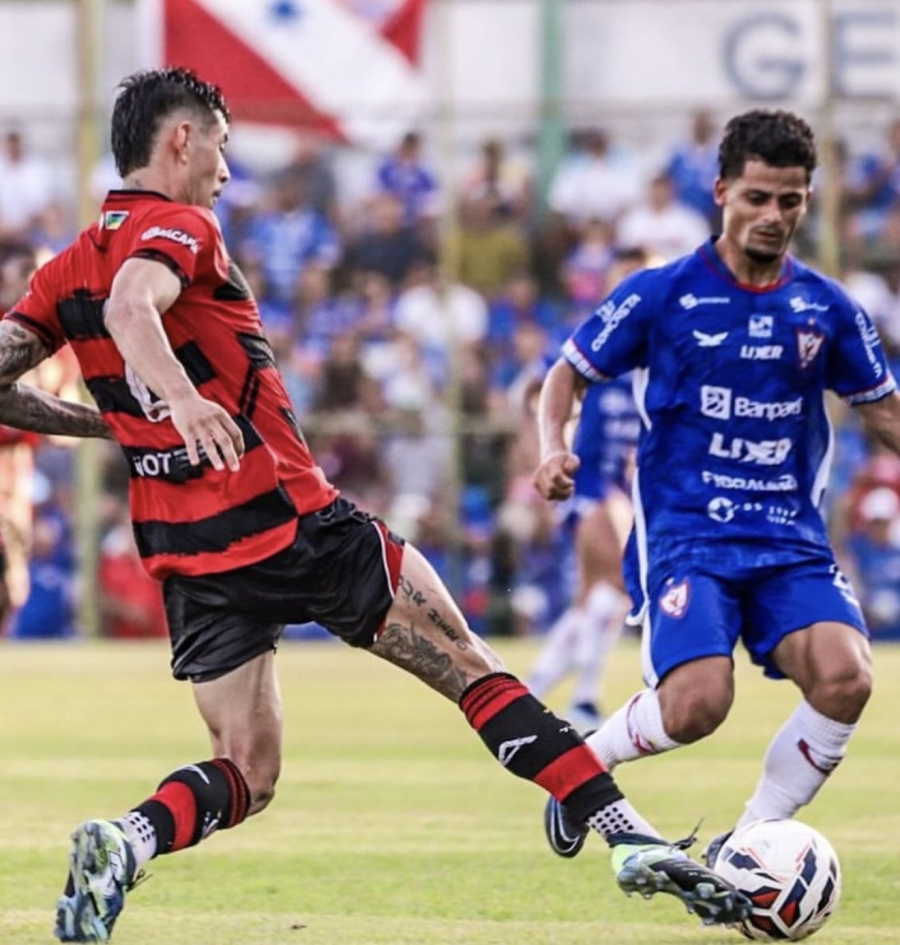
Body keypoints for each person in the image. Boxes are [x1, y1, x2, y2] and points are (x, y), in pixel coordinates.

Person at [0, 69, 747, 943]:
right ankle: (628, 838)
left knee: (247, 768)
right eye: (223, 150)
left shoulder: (65, 266)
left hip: (189, 552)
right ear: (181, 142)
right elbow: (135, 308)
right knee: (469, 666)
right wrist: (181, 396)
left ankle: (126, 840)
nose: (227, 175)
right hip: (290, 523)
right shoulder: (182, 225)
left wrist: (114, 426)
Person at [535, 109, 894, 868]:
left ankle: (749, 838)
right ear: (722, 190)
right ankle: (581, 768)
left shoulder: (826, 309)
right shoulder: (661, 293)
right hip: (688, 533)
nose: (773, 216)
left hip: (788, 539)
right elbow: (566, 371)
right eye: (758, 197)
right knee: (698, 705)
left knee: (846, 678)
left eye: (790, 201)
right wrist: (551, 446)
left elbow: (885, 411)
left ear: (806, 201)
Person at [527, 250, 646, 734]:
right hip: (589, 480)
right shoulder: (595, 344)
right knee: (619, 581)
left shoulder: (653, 356)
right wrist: (548, 451)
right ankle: (583, 698)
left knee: (594, 596)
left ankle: (533, 690)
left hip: (620, 484)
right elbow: (540, 390)